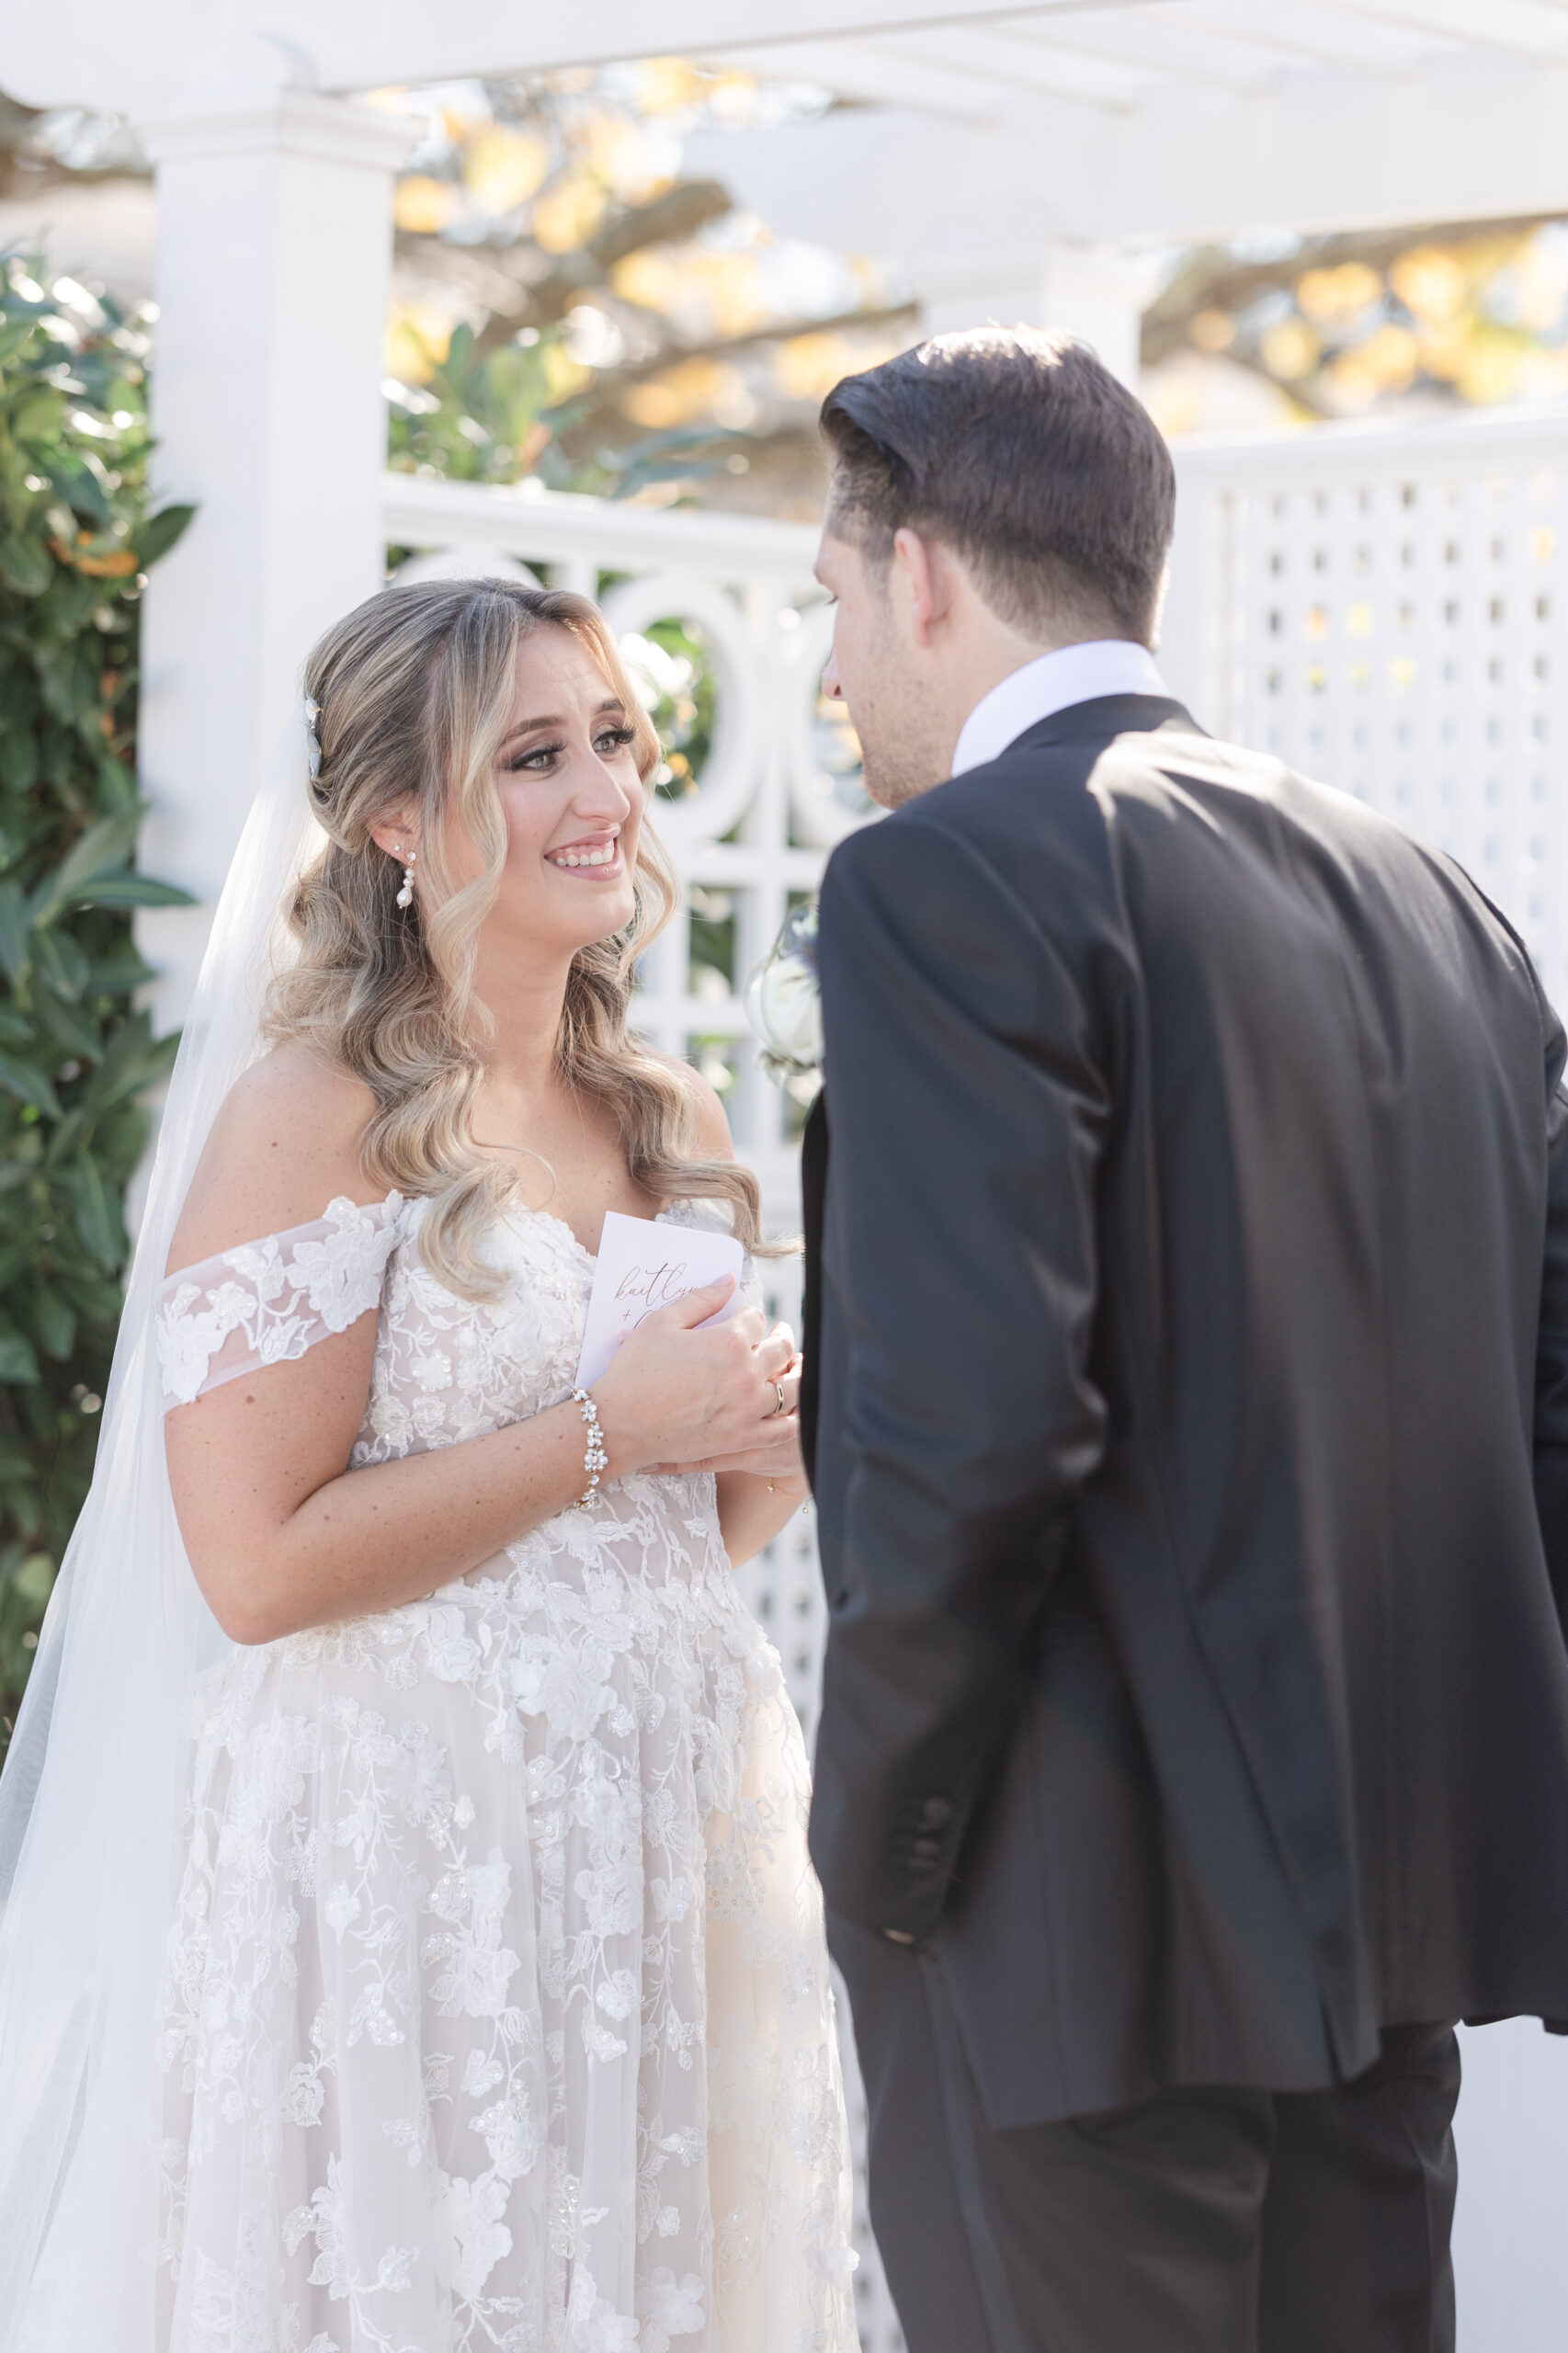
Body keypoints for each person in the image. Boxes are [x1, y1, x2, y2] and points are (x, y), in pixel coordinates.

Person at [799, 326, 1568, 2353]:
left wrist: (874, 1856)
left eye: (831, 597)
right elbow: (1537, 1416)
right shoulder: (1446, 906)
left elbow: (968, 1435)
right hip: (1384, 1939)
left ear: (923, 573)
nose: (831, 670)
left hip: (1073, 1949)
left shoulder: (939, 879)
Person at [0, 578, 857, 2351]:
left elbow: (689, 1531)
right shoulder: (314, 1118)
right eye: (532, 755)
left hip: (658, 1842)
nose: (600, 791)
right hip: (408, 1867)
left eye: (612, 739)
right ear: (396, 816)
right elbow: (254, 1564)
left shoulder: (667, 1119)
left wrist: (772, 1425)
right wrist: (609, 1426)